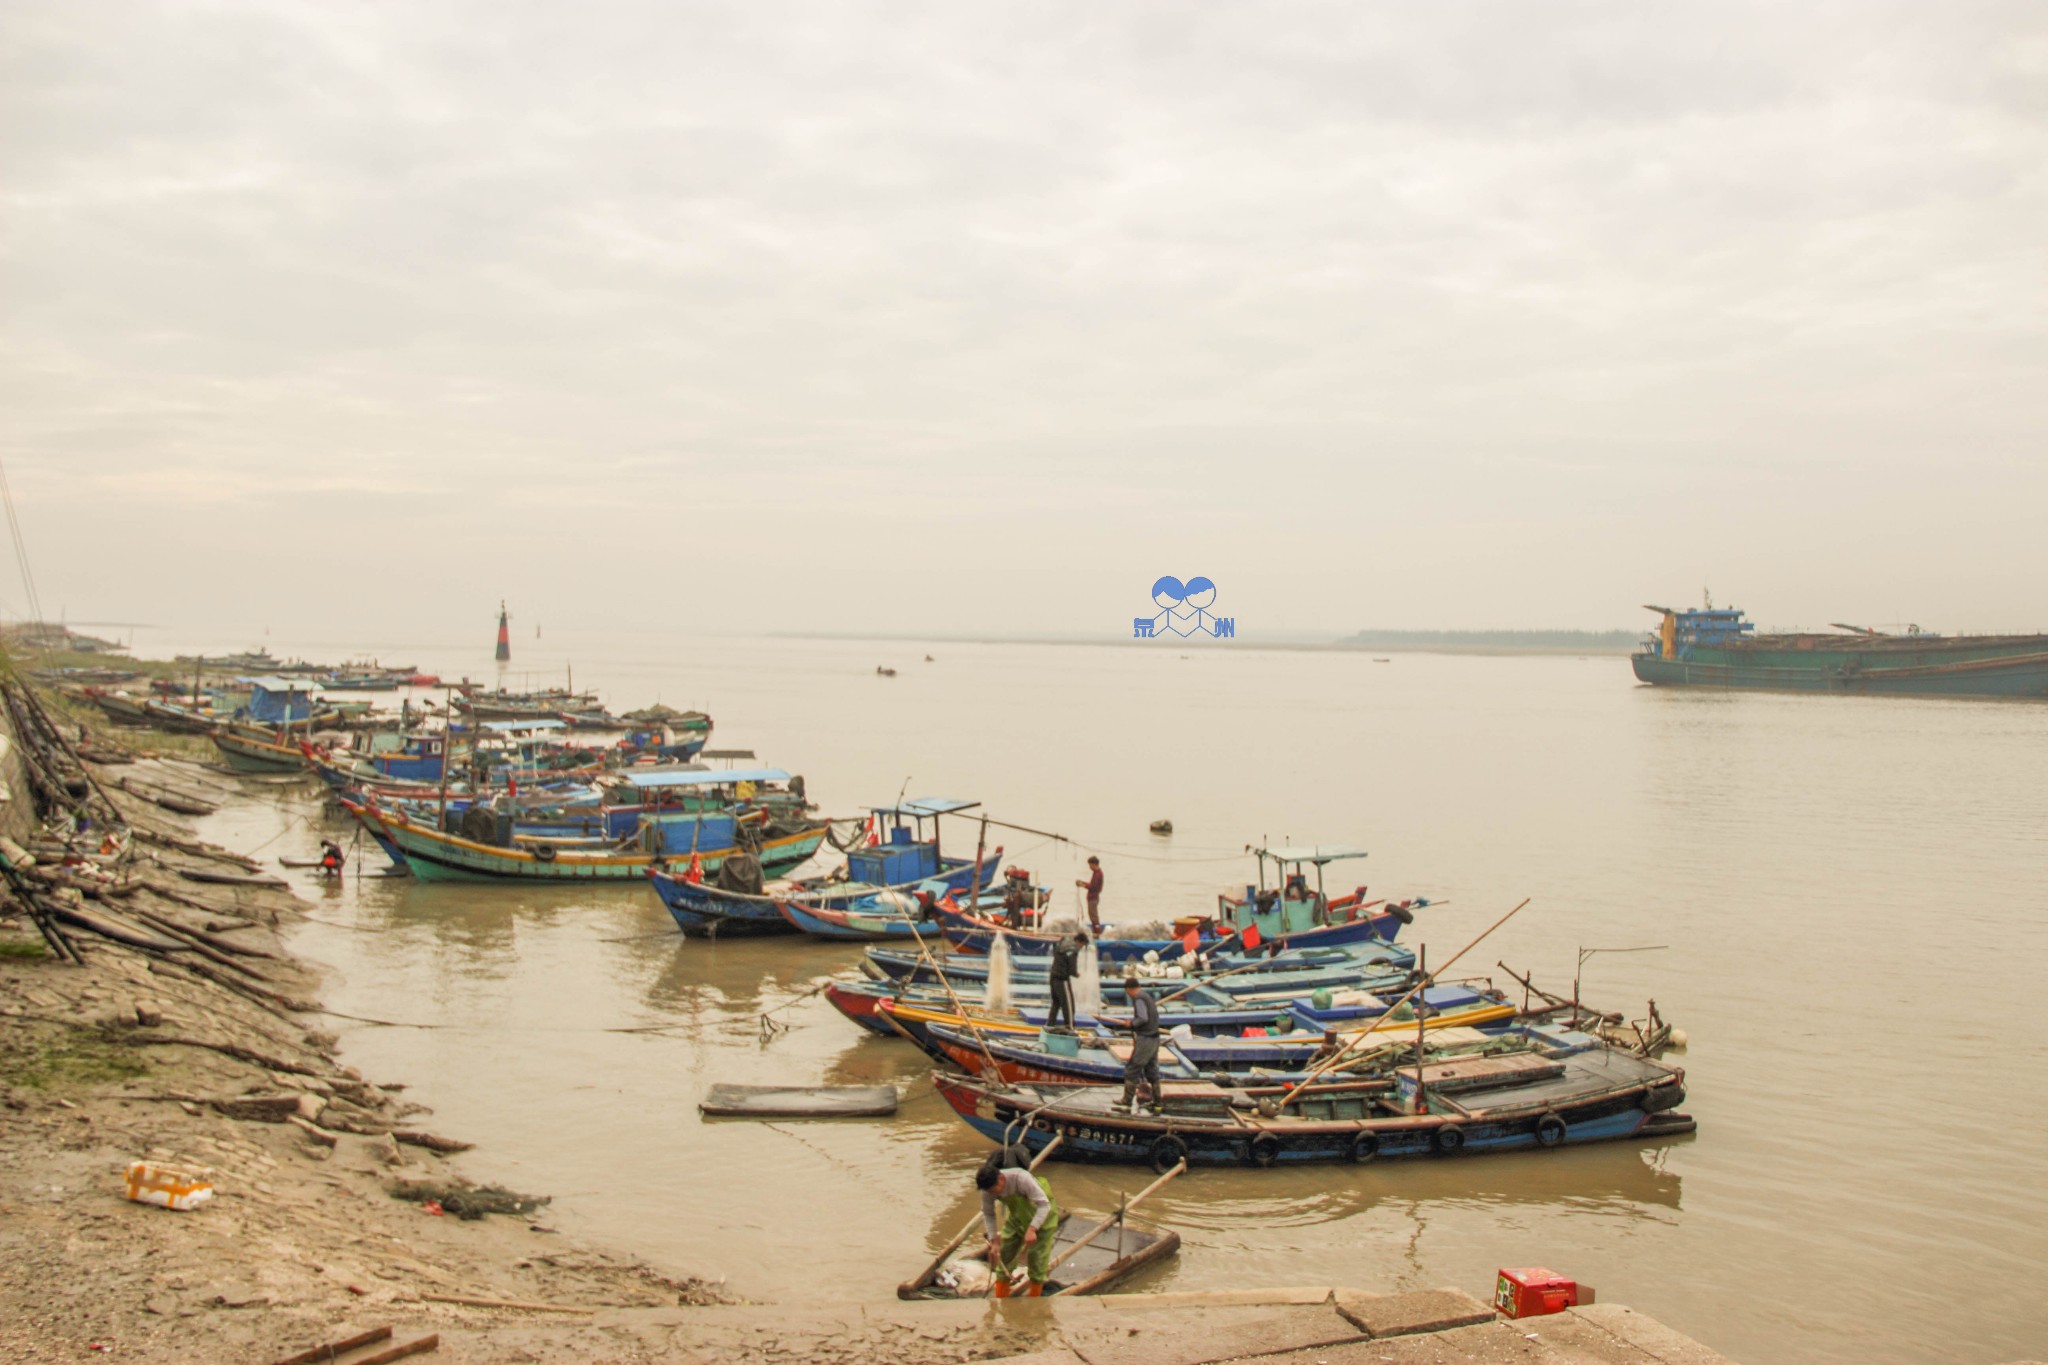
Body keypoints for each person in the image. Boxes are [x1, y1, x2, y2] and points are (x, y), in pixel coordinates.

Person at [977, 1158, 1059, 1298]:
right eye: (988, 1191)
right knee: (1004, 1257)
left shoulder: (1021, 1179)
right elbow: (989, 1214)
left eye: (993, 1190)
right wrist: (994, 1241)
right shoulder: (987, 1190)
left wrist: (1032, 1229)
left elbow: (1044, 1205)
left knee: (1037, 1262)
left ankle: (1034, 1302)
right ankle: (1001, 1298)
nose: (991, 1194)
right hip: (1017, 1218)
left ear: (1001, 1179)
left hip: (1043, 1219)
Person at [1117, 974, 1162, 1113]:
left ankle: (1127, 1101)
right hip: (1154, 1038)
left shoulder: (1139, 998)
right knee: (1151, 1071)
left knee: (1132, 1068)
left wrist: (1131, 1024)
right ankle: (1157, 1103)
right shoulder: (1147, 996)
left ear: (1129, 990)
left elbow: (1142, 1017)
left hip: (1146, 1039)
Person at [1045, 930, 1086, 1031]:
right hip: (1062, 980)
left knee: (1056, 1003)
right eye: (1083, 945)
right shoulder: (1073, 949)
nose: (1081, 948)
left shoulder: (1064, 944)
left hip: (1053, 977)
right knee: (1068, 1005)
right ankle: (1070, 1027)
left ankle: (1050, 1026)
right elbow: (1072, 970)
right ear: (1080, 942)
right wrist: (1076, 974)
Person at [1074, 856, 1104, 933]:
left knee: (1094, 916)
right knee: (1092, 915)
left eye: (1090, 865)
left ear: (1094, 864)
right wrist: (1083, 882)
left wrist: (1082, 885)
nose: (1089, 867)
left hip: (1093, 898)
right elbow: (1092, 884)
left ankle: (1097, 933)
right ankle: (1096, 931)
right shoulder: (1096, 873)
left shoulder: (1098, 874)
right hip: (1092, 897)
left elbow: (1093, 887)